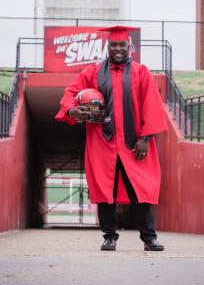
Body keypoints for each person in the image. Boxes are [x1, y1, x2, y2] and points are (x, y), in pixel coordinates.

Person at [55, 25, 168, 251]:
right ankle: (109, 236)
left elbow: (151, 105)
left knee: (140, 190)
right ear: (108, 47)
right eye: (114, 45)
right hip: (102, 142)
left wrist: (145, 138)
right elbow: (71, 92)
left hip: (132, 143)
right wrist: (71, 110)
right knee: (106, 191)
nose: (118, 48)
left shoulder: (140, 72)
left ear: (129, 47)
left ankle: (149, 237)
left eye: (122, 45)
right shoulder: (93, 72)